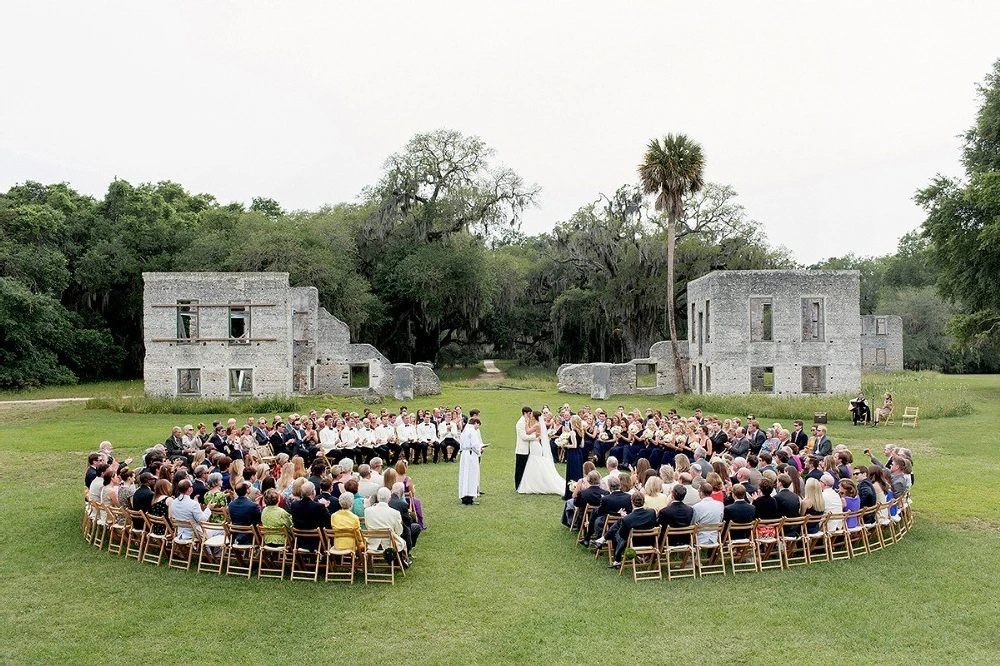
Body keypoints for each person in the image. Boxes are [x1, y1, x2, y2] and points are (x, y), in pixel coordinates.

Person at [517, 410, 565, 495]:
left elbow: (528, 431)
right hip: (534, 444)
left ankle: (538, 484)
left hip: (535, 446)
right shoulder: (537, 424)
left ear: (534, 417)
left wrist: (527, 422)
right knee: (535, 463)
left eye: (531, 415)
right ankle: (536, 482)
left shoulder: (536, 425)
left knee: (535, 462)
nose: (530, 416)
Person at [608, 492, 658, 569]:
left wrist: (624, 519)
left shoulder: (627, 519)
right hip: (650, 541)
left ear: (631, 501)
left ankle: (617, 559)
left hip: (634, 543)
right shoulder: (652, 513)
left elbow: (623, 535)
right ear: (644, 501)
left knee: (617, 534)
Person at [364, 487, 408, 564]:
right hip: (389, 544)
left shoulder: (367, 511)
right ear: (389, 498)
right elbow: (399, 531)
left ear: (377, 498)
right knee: (401, 540)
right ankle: (402, 561)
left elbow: (367, 526)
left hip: (372, 543)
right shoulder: (395, 513)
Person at [458, 416, 486, 505]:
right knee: (471, 474)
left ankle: (464, 496)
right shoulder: (472, 431)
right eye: (478, 425)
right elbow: (474, 444)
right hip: (471, 454)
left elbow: (461, 444)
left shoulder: (464, 431)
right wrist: (480, 449)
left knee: (464, 474)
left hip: (464, 454)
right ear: (476, 423)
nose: (477, 427)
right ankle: (469, 497)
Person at [562, 415, 585, 501]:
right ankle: (578, 490)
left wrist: (565, 445)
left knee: (572, 471)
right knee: (578, 471)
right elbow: (582, 445)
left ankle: (570, 493)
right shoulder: (581, 431)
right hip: (579, 453)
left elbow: (574, 445)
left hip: (572, 453)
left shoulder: (573, 432)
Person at [513, 406, 535, 490]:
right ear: (525, 413)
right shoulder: (520, 422)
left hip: (527, 449)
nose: (530, 415)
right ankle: (518, 485)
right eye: (529, 413)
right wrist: (535, 437)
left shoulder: (526, 421)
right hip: (521, 449)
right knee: (520, 469)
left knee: (525, 468)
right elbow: (523, 437)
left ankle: (523, 484)